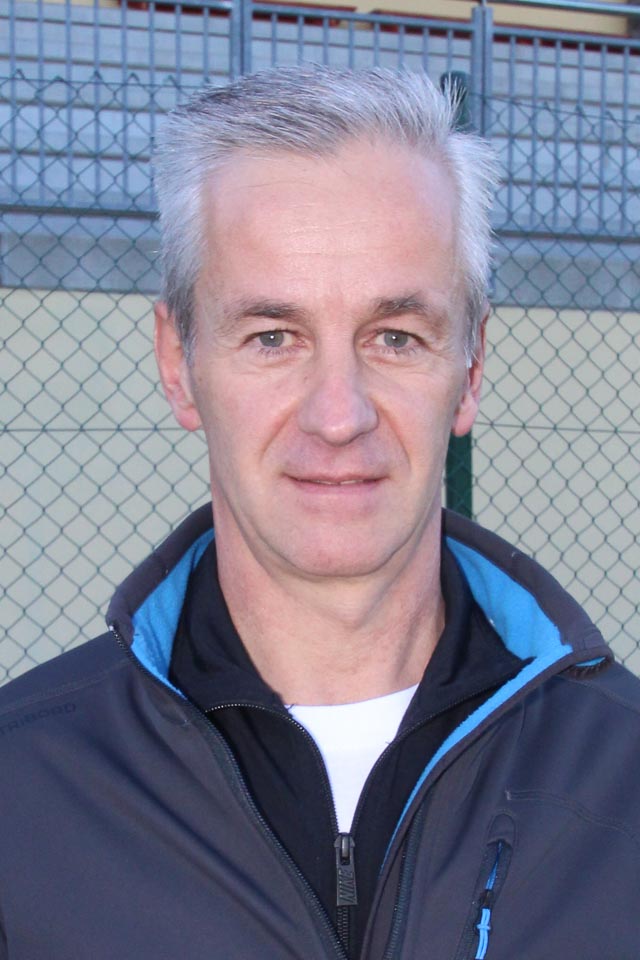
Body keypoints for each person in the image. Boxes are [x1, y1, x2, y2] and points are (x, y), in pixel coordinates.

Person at [0, 66, 638, 960]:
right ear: (179, 365)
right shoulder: (22, 796)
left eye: (395, 337)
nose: (339, 416)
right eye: (273, 337)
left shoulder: (623, 778)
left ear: (470, 368)